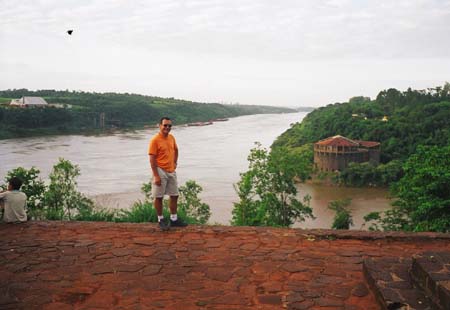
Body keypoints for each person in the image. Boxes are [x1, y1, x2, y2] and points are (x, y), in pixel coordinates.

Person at [148, 117, 187, 230]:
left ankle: (173, 219)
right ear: (159, 125)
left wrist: (175, 162)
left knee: (174, 195)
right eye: (165, 125)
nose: (167, 127)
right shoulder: (155, 140)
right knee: (159, 196)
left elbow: (176, 150)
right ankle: (161, 219)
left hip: (171, 170)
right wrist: (156, 175)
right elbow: (152, 158)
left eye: (169, 126)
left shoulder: (171, 138)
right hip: (160, 170)